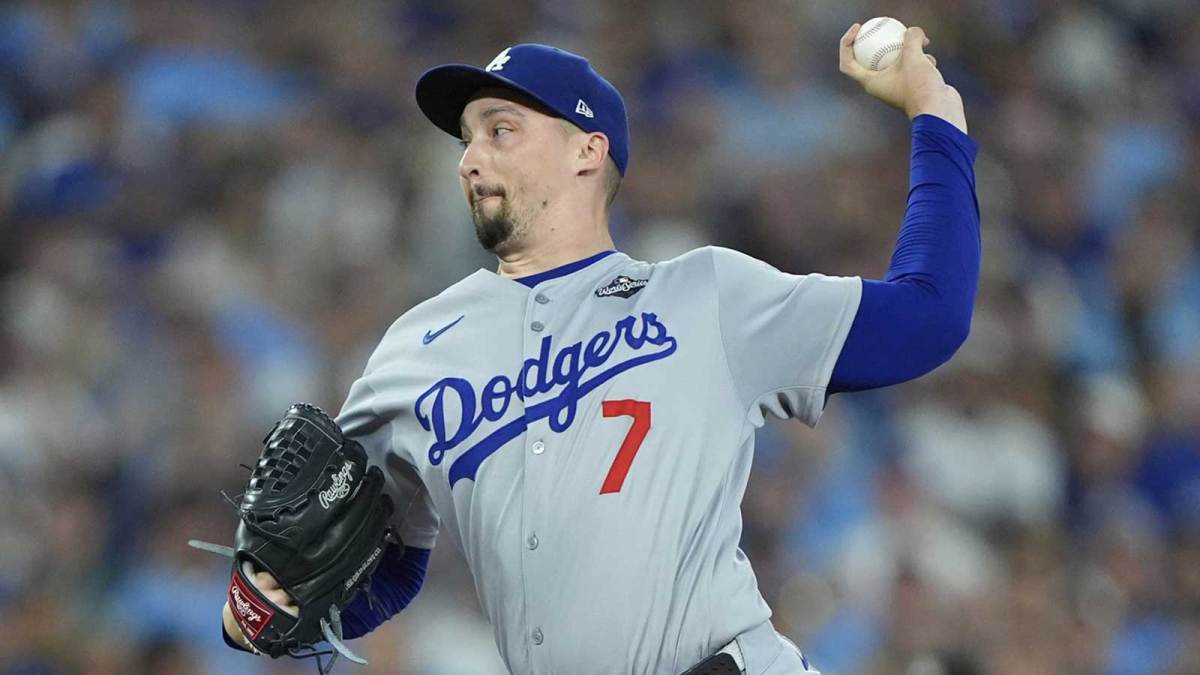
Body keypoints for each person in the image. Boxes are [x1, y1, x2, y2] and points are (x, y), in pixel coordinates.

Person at [221, 23, 980, 675]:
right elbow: (375, 570)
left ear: (588, 151)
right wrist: (268, 604)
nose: (469, 158)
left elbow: (929, 316)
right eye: (467, 138)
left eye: (500, 130)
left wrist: (934, 111)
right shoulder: (411, 353)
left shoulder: (706, 295)